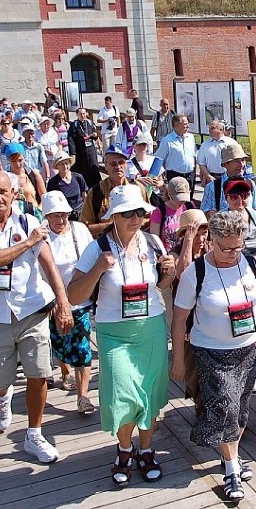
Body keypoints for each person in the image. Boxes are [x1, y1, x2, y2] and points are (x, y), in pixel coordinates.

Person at [171, 211, 256, 503]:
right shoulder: (195, 273)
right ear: (211, 240)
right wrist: (178, 359)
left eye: (238, 247)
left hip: (249, 348)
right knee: (225, 406)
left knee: (241, 407)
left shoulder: (252, 264)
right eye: (225, 248)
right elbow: (178, 319)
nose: (232, 254)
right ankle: (231, 468)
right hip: (210, 351)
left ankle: (231, 457)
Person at [67, 185, 176, 485]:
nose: (135, 218)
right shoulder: (97, 247)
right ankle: (125, 449)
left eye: (140, 212)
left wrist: (170, 270)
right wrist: (97, 270)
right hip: (114, 332)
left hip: (151, 328)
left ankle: (147, 449)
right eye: (127, 212)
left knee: (150, 394)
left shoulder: (153, 243)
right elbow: (74, 294)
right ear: (113, 216)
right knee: (121, 394)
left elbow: (163, 285)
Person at [0, 170, 74, 463]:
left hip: (31, 310)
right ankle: (2, 396)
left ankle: (34, 434)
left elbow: (49, 264)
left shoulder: (28, 221)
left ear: (14, 193)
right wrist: (27, 243)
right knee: (0, 380)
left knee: (39, 374)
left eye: (3, 191)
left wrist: (62, 302)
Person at [41, 191, 96, 414]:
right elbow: (36, 272)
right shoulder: (41, 236)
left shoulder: (80, 230)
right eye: (54, 215)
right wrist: (52, 299)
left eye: (63, 214)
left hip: (80, 299)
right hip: (52, 301)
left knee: (82, 348)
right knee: (60, 344)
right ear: (46, 216)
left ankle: (83, 397)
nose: (60, 220)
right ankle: (64, 371)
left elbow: (92, 257)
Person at [80, 145, 148, 237]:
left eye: (121, 162)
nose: (118, 167)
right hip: (105, 246)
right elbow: (83, 228)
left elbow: (149, 218)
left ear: (126, 164)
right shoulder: (95, 193)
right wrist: (112, 226)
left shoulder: (139, 189)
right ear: (106, 166)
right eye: (113, 164)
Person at [201, 144, 256, 217]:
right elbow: (203, 213)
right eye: (236, 161)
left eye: (243, 160)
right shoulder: (213, 187)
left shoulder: (250, 183)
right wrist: (209, 214)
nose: (241, 165)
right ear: (225, 164)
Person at [223, 177, 256, 263]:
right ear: (226, 198)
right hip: (231, 269)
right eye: (234, 196)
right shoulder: (220, 220)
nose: (240, 200)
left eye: (244, 195)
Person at [150, 177, 196, 254]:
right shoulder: (159, 211)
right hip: (167, 254)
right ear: (169, 194)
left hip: (187, 252)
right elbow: (155, 239)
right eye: (178, 199)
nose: (181, 202)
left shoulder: (190, 206)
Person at [154, 114, 197, 191]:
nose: (188, 126)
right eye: (185, 124)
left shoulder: (191, 137)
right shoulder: (167, 140)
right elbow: (158, 159)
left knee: (189, 201)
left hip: (190, 175)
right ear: (176, 125)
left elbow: (194, 155)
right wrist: (159, 178)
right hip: (175, 176)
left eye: (188, 124)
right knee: (177, 201)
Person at [6, 144, 47, 219]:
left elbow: (45, 197)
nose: (18, 164)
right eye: (13, 161)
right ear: (8, 160)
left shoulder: (34, 175)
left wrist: (38, 211)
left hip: (34, 215)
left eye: (20, 160)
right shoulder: (5, 178)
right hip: (14, 217)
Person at [46, 152, 88, 220]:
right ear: (57, 166)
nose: (65, 166)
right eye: (62, 164)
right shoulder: (53, 182)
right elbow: (52, 202)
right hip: (65, 215)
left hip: (81, 212)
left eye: (66, 163)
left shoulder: (78, 177)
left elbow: (84, 196)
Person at [197, 119, 238, 187]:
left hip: (229, 177)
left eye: (212, 128)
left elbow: (238, 160)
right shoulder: (205, 145)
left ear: (221, 130)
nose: (210, 130)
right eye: (209, 128)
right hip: (211, 177)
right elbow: (201, 163)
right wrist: (208, 176)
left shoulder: (231, 143)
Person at [68, 107, 102, 187]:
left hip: (90, 150)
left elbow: (95, 135)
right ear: (77, 115)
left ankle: (96, 185)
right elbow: (71, 139)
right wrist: (73, 153)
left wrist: (95, 136)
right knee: (83, 169)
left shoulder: (89, 123)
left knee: (94, 167)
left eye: (84, 114)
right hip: (81, 150)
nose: (82, 115)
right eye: (80, 114)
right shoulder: (74, 125)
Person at [126, 133, 165, 198]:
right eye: (139, 145)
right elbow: (125, 184)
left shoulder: (154, 161)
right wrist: (137, 182)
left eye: (144, 145)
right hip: (136, 196)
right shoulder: (127, 164)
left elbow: (161, 182)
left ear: (147, 146)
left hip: (153, 196)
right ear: (134, 146)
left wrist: (157, 183)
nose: (142, 147)